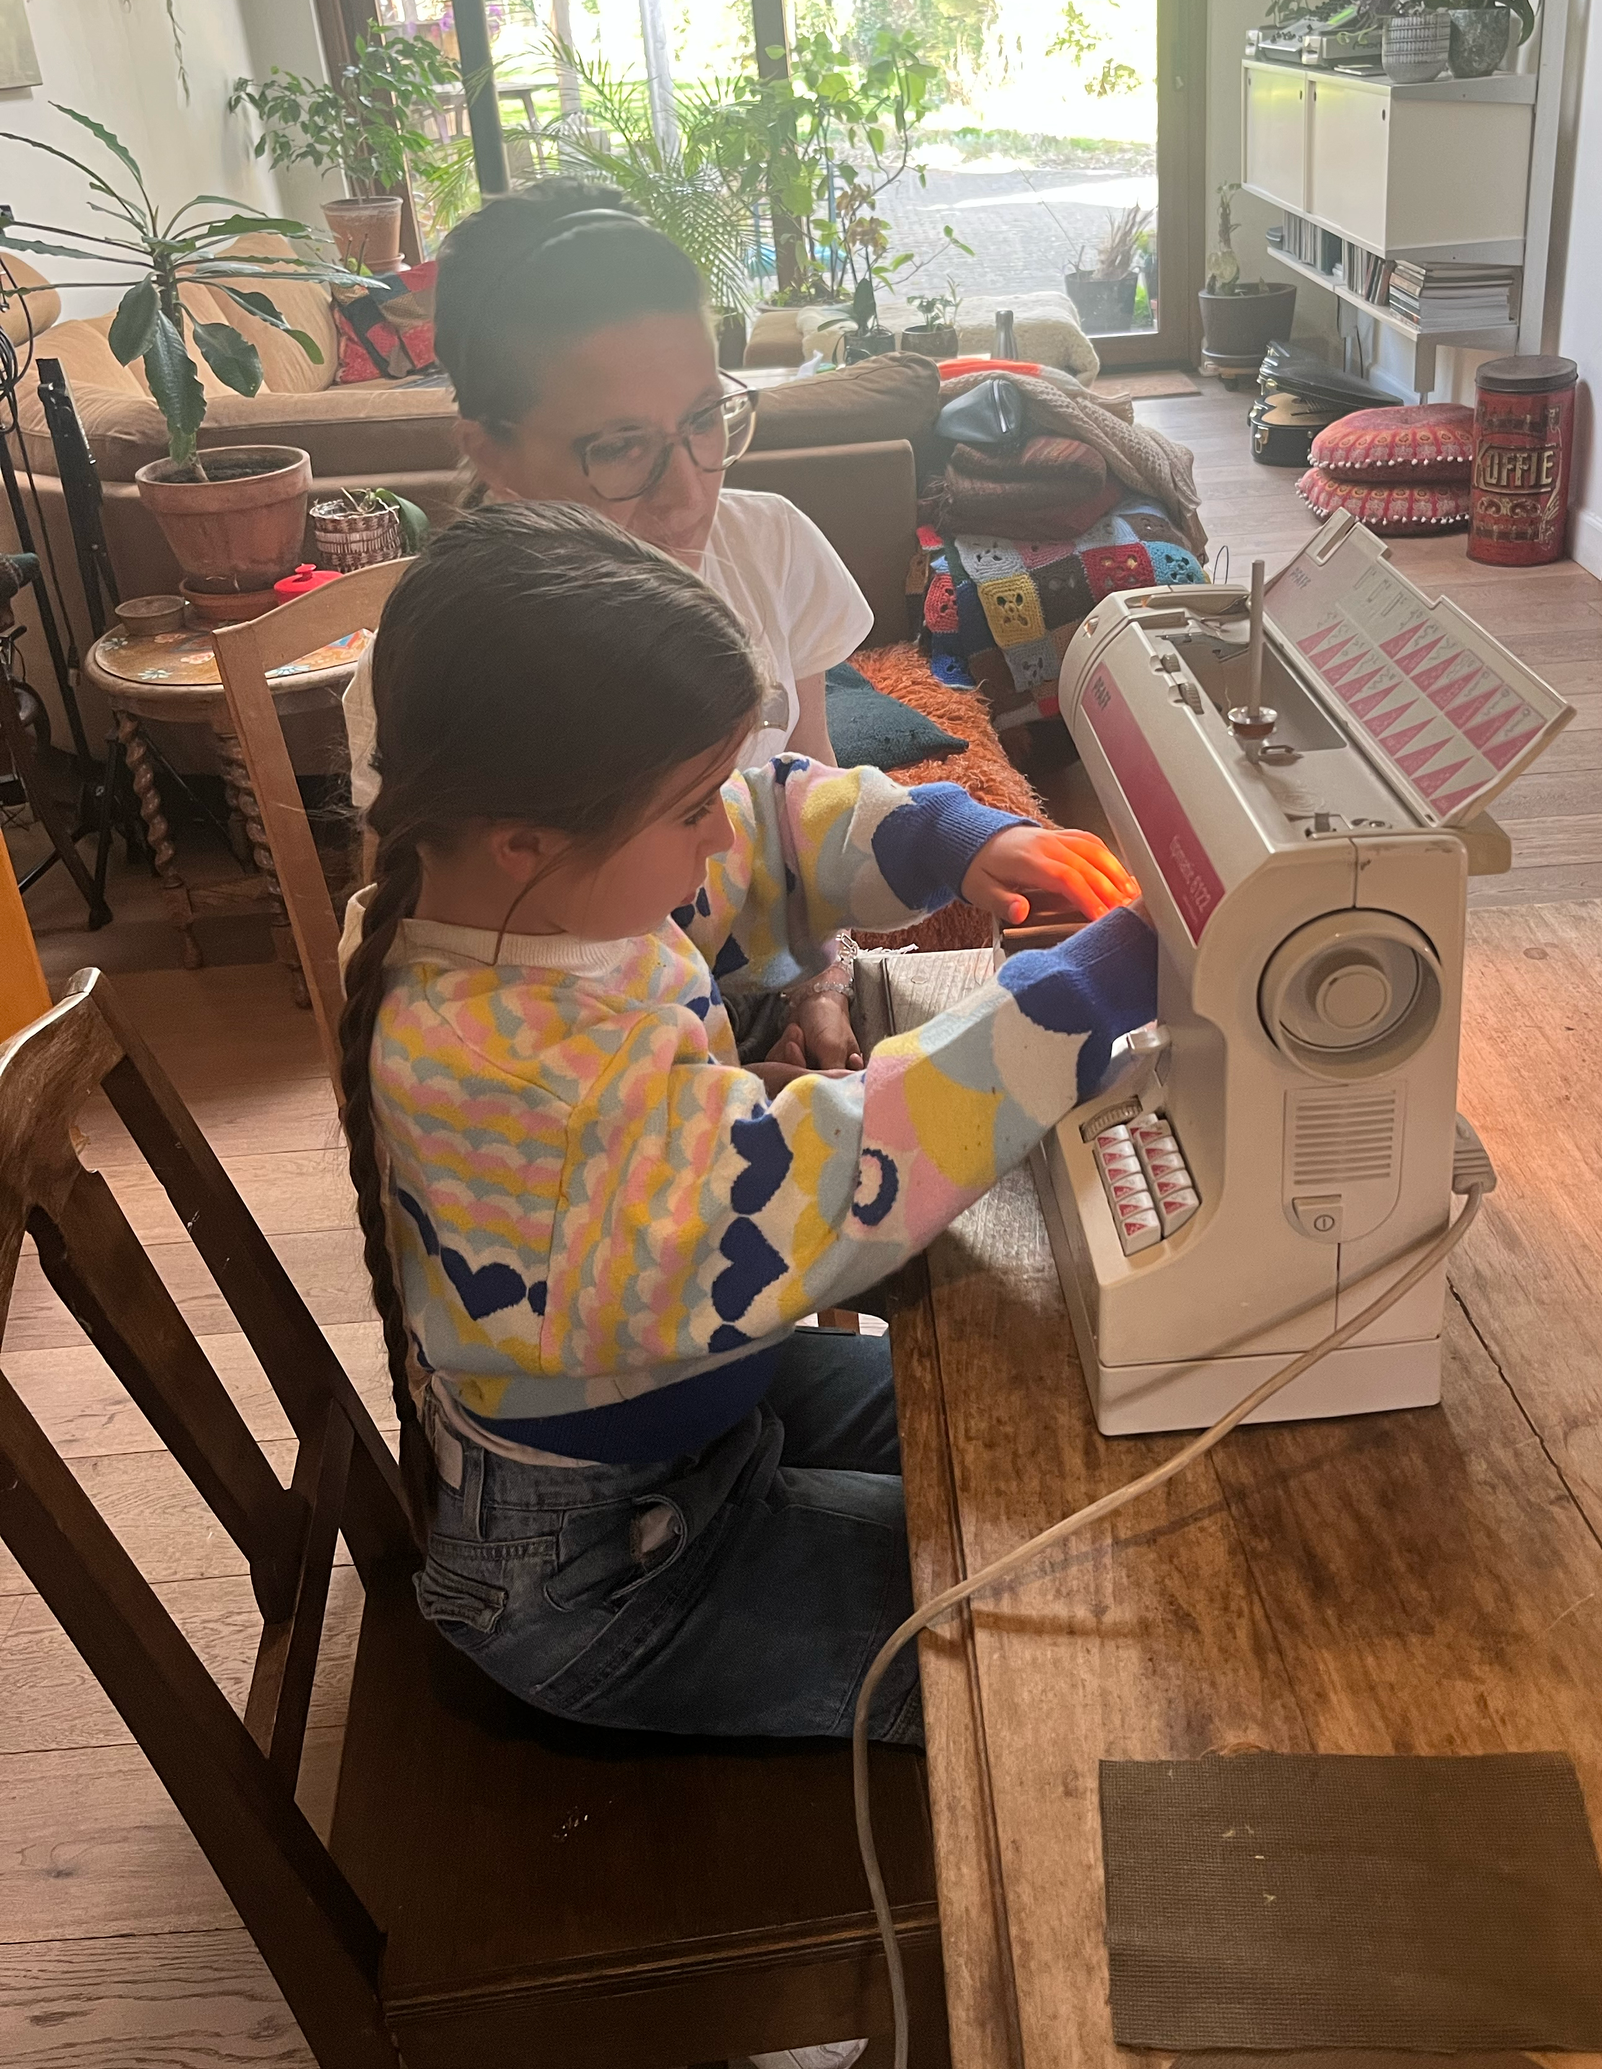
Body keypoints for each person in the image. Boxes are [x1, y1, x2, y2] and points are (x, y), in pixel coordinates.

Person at [339, 498, 1153, 1753]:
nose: (718, 828)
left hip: (702, 1412)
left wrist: (952, 831)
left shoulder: (540, 893)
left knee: (1047, 1420)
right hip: (605, 1574)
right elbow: (793, 1195)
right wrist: (1062, 1005)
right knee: (1057, 1631)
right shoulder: (507, 1072)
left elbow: (768, 816)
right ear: (524, 840)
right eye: (687, 809)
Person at [343, 177, 877, 1067]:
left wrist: (820, 988)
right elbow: (445, 978)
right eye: (621, 446)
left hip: (752, 1024)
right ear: (493, 452)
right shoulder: (436, 676)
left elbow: (803, 796)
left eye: (705, 419)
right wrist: (707, 1087)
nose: (689, 490)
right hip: (585, 1075)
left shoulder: (773, 543)